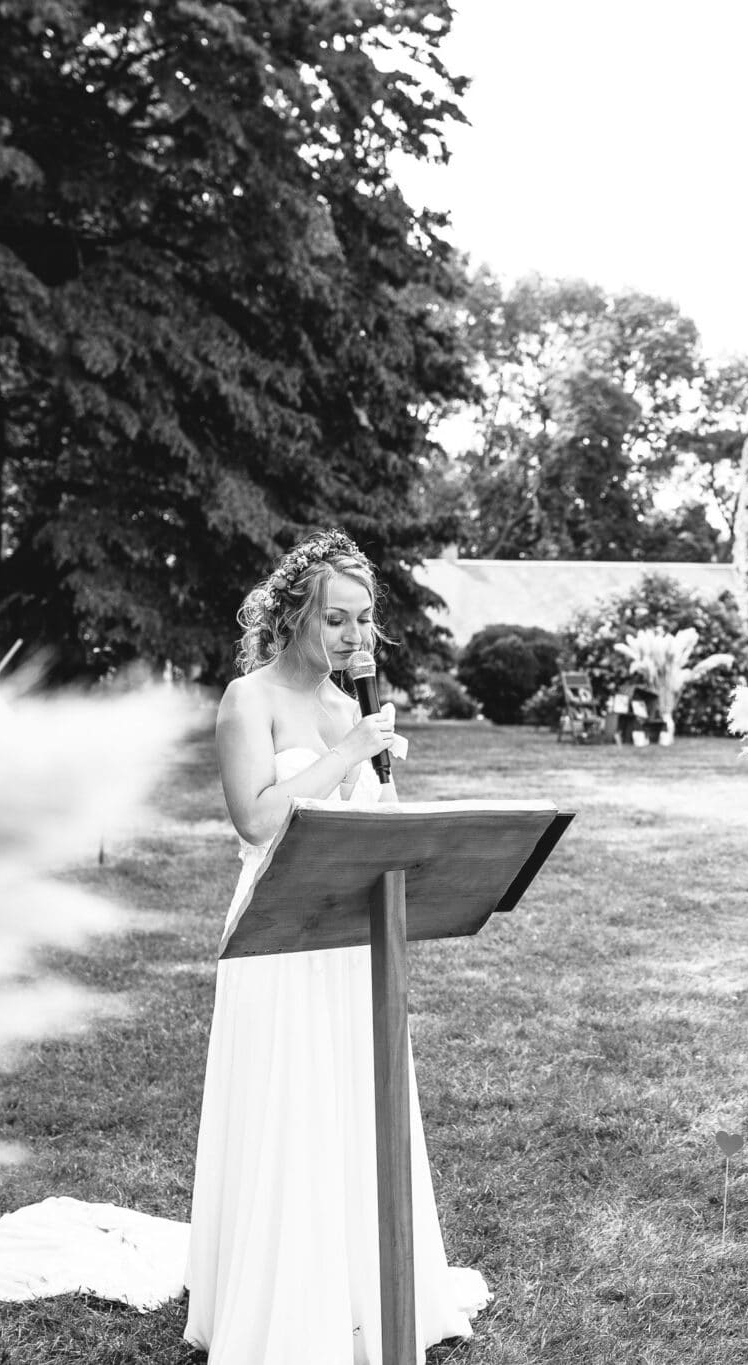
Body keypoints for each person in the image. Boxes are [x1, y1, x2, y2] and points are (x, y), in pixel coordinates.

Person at [186, 529, 488, 1363]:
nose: (357, 639)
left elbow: (366, 821)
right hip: (278, 930)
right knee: (289, 1100)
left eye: (366, 621)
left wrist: (384, 778)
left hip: (353, 930)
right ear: (292, 616)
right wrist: (352, 752)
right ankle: (286, 1307)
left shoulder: (348, 706)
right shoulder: (249, 699)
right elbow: (255, 816)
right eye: (338, 620)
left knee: (354, 1099)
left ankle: (358, 1289)